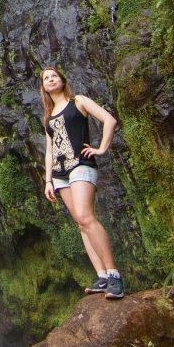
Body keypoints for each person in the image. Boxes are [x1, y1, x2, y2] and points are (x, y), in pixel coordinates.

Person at [39, 65, 124, 299]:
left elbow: (109, 120)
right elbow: (49, 151)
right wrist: (48, 181)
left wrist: (101, 148)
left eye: (54, 75)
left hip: (81, 166)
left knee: (86, 217)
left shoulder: (79, 101)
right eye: (46, 78)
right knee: (81, 223)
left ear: (63, 80)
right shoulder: (48, 116)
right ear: (43, 87)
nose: (51, 79)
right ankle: (102, 276)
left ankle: (114, 274)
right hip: (59, 174)